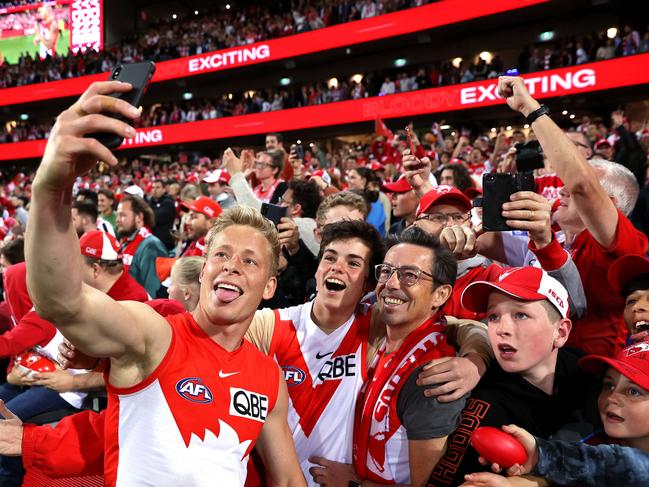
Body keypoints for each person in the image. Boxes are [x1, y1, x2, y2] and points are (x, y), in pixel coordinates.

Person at [24, 81, 305, 486]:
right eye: (221, 256)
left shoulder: (267, 377)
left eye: (249, 261)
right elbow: (62, 301)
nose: (231, 268)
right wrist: (51, 187)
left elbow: (289, 480)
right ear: (202, 267)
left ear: (269, 287)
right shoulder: (154, 335)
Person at [497, 75, 648, 356]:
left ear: (608, 204)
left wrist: (531, 109)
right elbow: (486, 244)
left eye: (577, 190)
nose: (563, 189)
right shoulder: (556, 238)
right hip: (546, 367)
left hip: (591, 377)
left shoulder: (625, 246)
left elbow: (582, 185)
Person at [313, 226, 466, 486]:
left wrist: (354, 484)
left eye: (410, 276)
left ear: (440, 295)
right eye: (387, 271)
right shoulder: (378, 336)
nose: (391, 284)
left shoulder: (434, 375)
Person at [429, 266, 599, 486]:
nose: (502, 329)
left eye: (520, 314)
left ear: (561, 332)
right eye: (493, 316)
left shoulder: (585, 369)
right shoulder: (482, 406)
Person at [463, 343, 649, 487]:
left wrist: (539, 453)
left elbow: (616, 464)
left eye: (633, 391)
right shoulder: (590, 435)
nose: (612, 397)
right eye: (608, 385)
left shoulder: (625, 462)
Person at [116, 194, 170, 297]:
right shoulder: (124, 242)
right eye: (118, 215)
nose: (118, 219)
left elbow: (153, 294)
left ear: (139, 217)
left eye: (123, 215)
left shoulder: (151, 246)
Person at [148, 179, 176, 251]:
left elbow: (154, 218)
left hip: (164, 244)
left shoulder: (168, 203)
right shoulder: (150, 202)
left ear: (164, 190)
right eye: (153, 187)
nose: (154, 190)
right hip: (151, 242)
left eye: (157, 187)